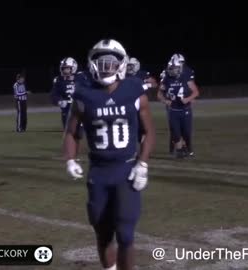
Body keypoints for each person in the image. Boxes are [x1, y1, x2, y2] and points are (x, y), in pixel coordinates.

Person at [63, 39, 156, 270]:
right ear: (92, 64)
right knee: (102, 232)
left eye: (111, 62)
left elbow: (149, 132)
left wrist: (142, 164)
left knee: (125, 234)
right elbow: (71, 133)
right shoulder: (83, 94)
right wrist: (70, 159)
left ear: (121, 64)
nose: (106, 67)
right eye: (101, 62)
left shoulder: (134, 90)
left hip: (126, 170)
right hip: (99, 172)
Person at [157, 53, 200, 158]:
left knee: (186, 133)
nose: (172, 70)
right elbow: (159, 94)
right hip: (173, 110)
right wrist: (165, 101)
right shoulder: (167, 77)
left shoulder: (186, 77)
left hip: (185, 109)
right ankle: (179, 151)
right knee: (175, 132)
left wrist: (188, 99)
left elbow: (196, 92)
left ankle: (188, 149)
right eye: (171, 68)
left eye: (174, 68)